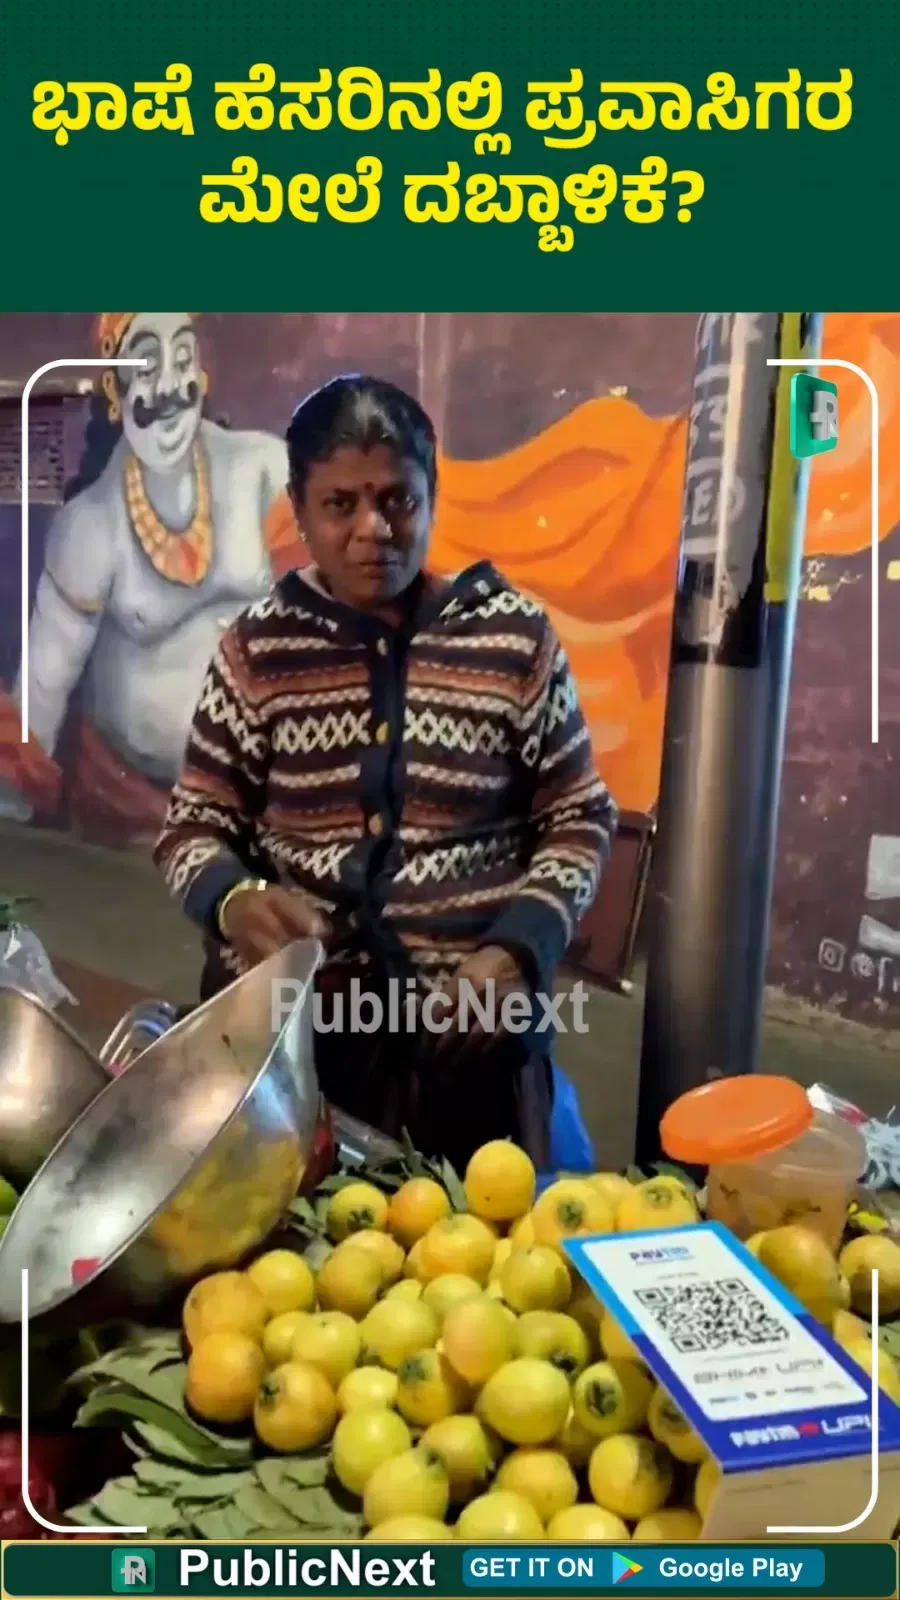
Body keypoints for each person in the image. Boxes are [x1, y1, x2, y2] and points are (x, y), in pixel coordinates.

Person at [154, 374, 617, 1170]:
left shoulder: (512, 640)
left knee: (481, 1238)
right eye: (340, 505)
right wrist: (233, 899)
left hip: (472, 1050)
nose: (374, 529)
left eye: (398, 500)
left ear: (431, 495)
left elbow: (578, 818)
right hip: (294, 1051)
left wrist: (517, 949)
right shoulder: (258, 651)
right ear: (300, 511)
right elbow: (192, 826)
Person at [0, 311, 296, 845]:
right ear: (115, 390)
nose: (168, 388)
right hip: (137, 813)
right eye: (145, 366)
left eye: (182, 359)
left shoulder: (264, 470)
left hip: (273, 801)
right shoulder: (90, 526)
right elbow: (42, 691)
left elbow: (334, 620)